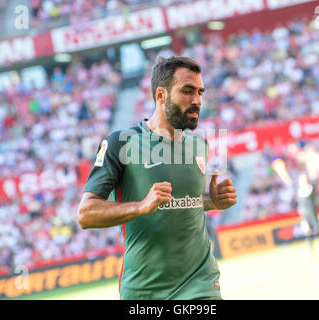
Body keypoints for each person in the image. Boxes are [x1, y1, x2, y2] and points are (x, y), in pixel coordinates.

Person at [76, 56, 237, 300]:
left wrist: (212, 201)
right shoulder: (121, 143)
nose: (197, 101)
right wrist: (141, 206)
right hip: (146, 291)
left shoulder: (200, 144)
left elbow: (181, 202)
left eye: (200, 92)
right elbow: (85, 214)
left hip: (201, 284)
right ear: (161, 95)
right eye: (187, 91)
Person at [296, 172, 319, 251]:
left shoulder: (311, 188)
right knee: (308, 231)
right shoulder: (299, 190)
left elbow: (314, 179)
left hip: (313, 212)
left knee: (318, 229)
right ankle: (311, 250)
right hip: (305, 214)